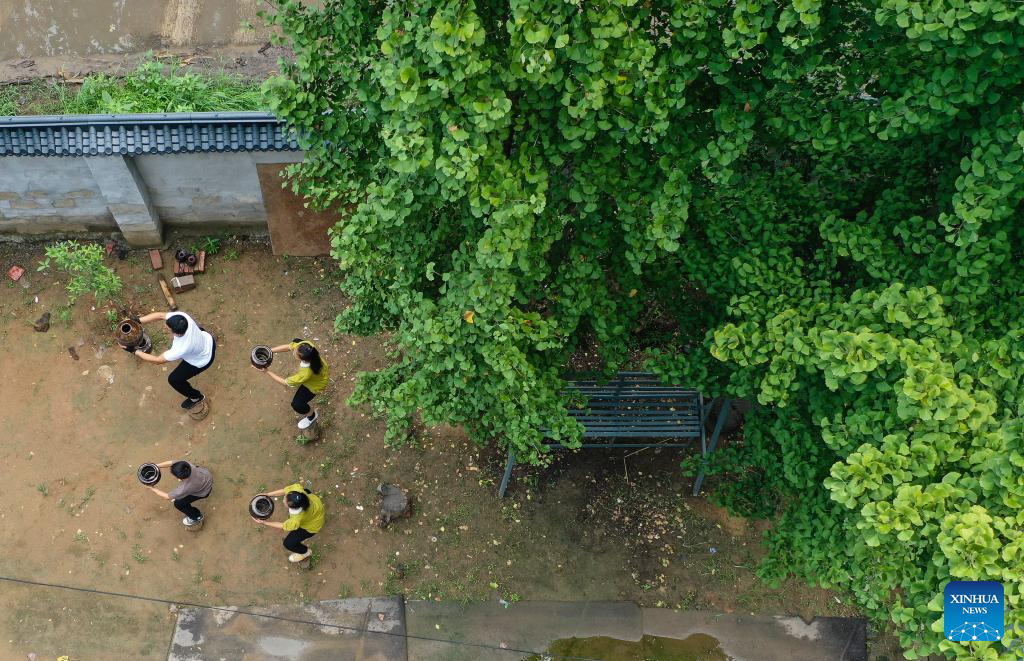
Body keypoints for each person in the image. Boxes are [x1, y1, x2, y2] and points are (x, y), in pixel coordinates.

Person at [130, 311, 216, 409]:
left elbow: (157, 360)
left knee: (174, 380)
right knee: (199, 330)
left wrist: (134, 351)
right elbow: (161, 315)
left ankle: (196, 397)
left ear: (177, 334)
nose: (165, 326)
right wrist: (137, 320)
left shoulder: (180, 348)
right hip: (208, 339)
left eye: (167, 327)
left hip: (203, 359)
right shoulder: (183, 318)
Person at [254, 339, 329, 429]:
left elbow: (285, 382)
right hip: (319, 374)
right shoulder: (307, 346)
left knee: (297, 404)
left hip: (315, 385)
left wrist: (267, 371)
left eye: (295, 353)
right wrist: (270, 351)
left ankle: (312, 416)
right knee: (296, 340)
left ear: (303, 360)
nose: (293, 351)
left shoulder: (305, 374)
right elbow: (289, 346)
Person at [250, 482, 325, 562]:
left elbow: (283, 526)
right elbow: (285, 490)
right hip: (317, 506)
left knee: (288, 543)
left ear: (294, 508)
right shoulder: (299, 491)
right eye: (286, 497)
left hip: (313, 526)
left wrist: (264, 522)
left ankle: (306, 553)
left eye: (285, 502)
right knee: (306, 491)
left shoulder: (295, 520)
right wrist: (267, 494)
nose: (283, 500)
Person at [143, 460, 213, 527]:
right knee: (180, 496)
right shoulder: (185, 464)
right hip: (206, 475)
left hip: (204, 491)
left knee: (178, 504)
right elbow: (171, 462)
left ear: (179, 477)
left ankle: (196, 516)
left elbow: (167, 496)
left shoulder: (184, 488)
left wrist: (152, 488)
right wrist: (155, 466)